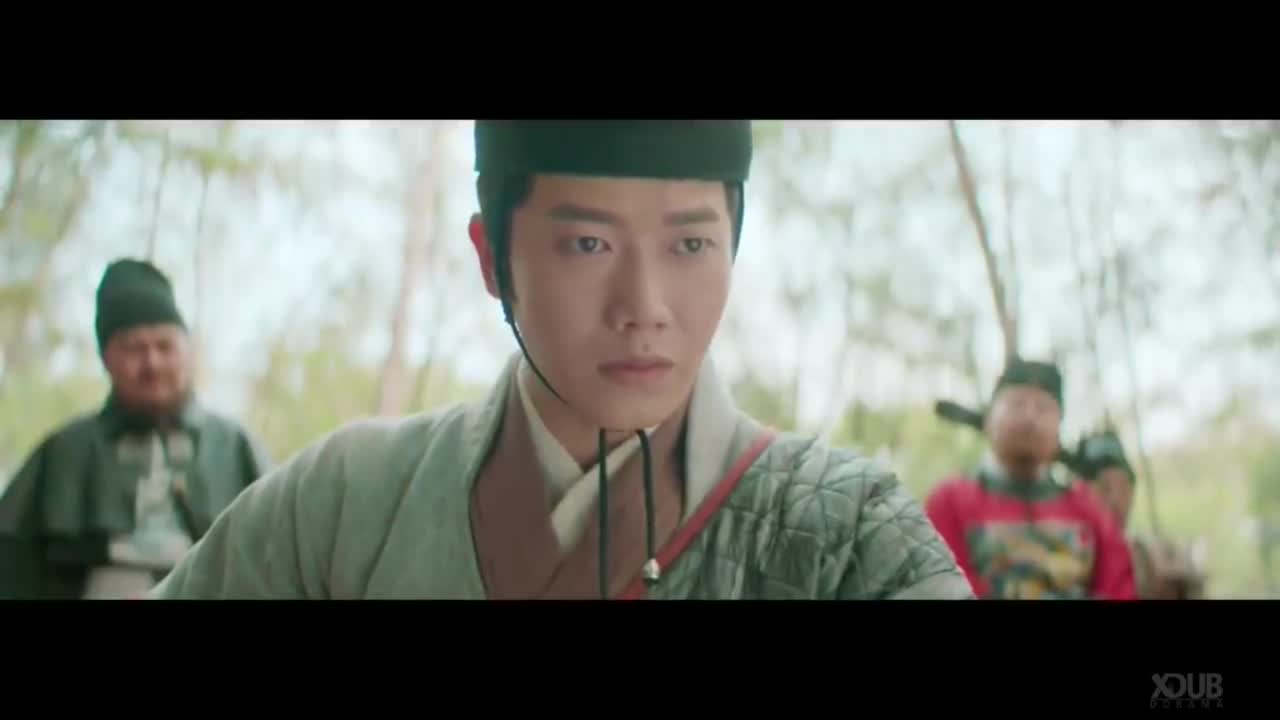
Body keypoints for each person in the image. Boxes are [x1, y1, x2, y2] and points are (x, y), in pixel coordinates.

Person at [149, 120, 974, 600]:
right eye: (587, 243)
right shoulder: (344, 500)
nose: (644, 305)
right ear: (491, 258)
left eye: (690, 244)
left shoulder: (848, 533)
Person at [0, 258, 270, 599]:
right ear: (106, 358)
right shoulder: (64, 451)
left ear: (187, 351)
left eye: (164, 346)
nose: (151, 363)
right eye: (133, 348)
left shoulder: (233, 446)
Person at [924, 358, 1137, 600]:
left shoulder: (1089, 507)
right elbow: (940, 585)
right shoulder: (950, 501)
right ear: (989, 419)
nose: (1029, 417)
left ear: (1059, 427)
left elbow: (1119, 586)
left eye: (1043, 409)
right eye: (1017, 404)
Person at [1075, 430, 1205, 599]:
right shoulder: (1068, 548)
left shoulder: (1142, 556)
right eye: (1104, 487)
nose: (1114, 499)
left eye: (1124, 487)